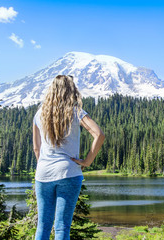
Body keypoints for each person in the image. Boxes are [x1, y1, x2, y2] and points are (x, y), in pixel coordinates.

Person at [32, 75, 105, 240]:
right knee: (62, 227)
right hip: (69, 173)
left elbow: (37, 148)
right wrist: (87, 161)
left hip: (43, 174)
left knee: (42, 226)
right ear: (71, 90)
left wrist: (44, 166)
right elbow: (99, 135)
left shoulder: (39, 114)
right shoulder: (76, 112)